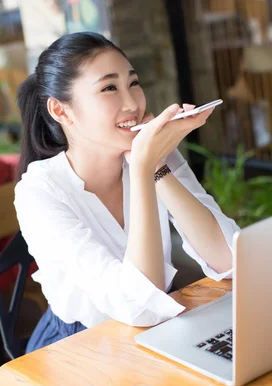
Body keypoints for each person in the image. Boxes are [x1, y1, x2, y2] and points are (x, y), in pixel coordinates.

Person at [14, 32, 239, 354]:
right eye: (109, 88)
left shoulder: (153, 153)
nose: (133, 103)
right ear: (61, 111)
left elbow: (229, 259)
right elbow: (138, 307)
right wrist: (144, 166)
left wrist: (156, 166)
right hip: (80, 346)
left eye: (133, 83)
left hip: (163, 324)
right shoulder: (38, 193)